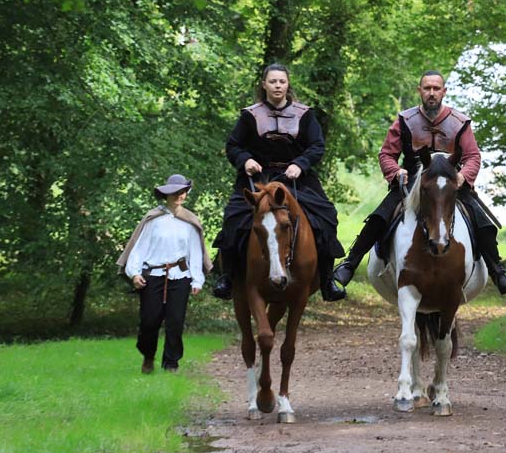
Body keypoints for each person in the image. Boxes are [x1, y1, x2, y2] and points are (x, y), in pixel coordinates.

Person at [333, 70, 506, 296]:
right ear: (420, 91)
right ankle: (349, 264)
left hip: (451, 181)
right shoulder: (405, 120)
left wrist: (464, 175)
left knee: (482, 222)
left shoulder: (460, 122)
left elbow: (473, 156)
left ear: (444, 92)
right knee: (379, 217)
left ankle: (497, 270)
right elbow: (386, 154)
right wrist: (396, 171)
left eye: (436, 88)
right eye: (427, 88)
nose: (432, 93)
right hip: (413, 180)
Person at [211, 63, 346, 302]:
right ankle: (227, 278)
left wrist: (300, 164)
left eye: (282, 81)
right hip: (258, 179)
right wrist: (246, 160)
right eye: (272, 81)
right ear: (264, 85)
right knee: (233, 217)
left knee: (326, 217)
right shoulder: (249, 115)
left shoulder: (305, 114)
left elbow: (317, 146)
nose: (277, 86)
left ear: (288, 84)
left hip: (296, 180)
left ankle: (326, 280)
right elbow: (233, 146)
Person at [116, 174, 212, 374]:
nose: (180, 196)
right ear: (166, 195)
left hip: (180, 276)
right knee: (149, 321)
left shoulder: (190, 221)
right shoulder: (153, 219)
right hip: (153, 276)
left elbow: (195, 252)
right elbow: (139, 248)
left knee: (175, 322)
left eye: (183, 192)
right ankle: (148, 356)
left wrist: (197, 279)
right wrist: (134, 273)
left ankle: (171, 364)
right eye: (175, 193)